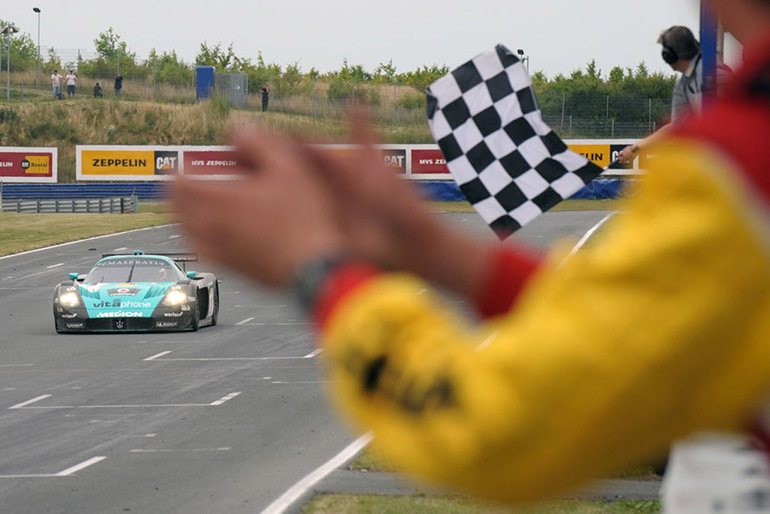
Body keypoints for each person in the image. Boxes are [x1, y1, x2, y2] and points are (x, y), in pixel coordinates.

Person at [172, 0, 770, 507]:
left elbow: (499, 429)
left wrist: (318, 267)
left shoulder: (740, 164)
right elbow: (643, 321)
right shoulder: (733, 141)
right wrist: (430, 246)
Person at [618, 25, 705, 164]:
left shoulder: (714, 73)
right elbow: (676, 127)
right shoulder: (683, 85)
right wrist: (635, 149)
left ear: (669, 55)